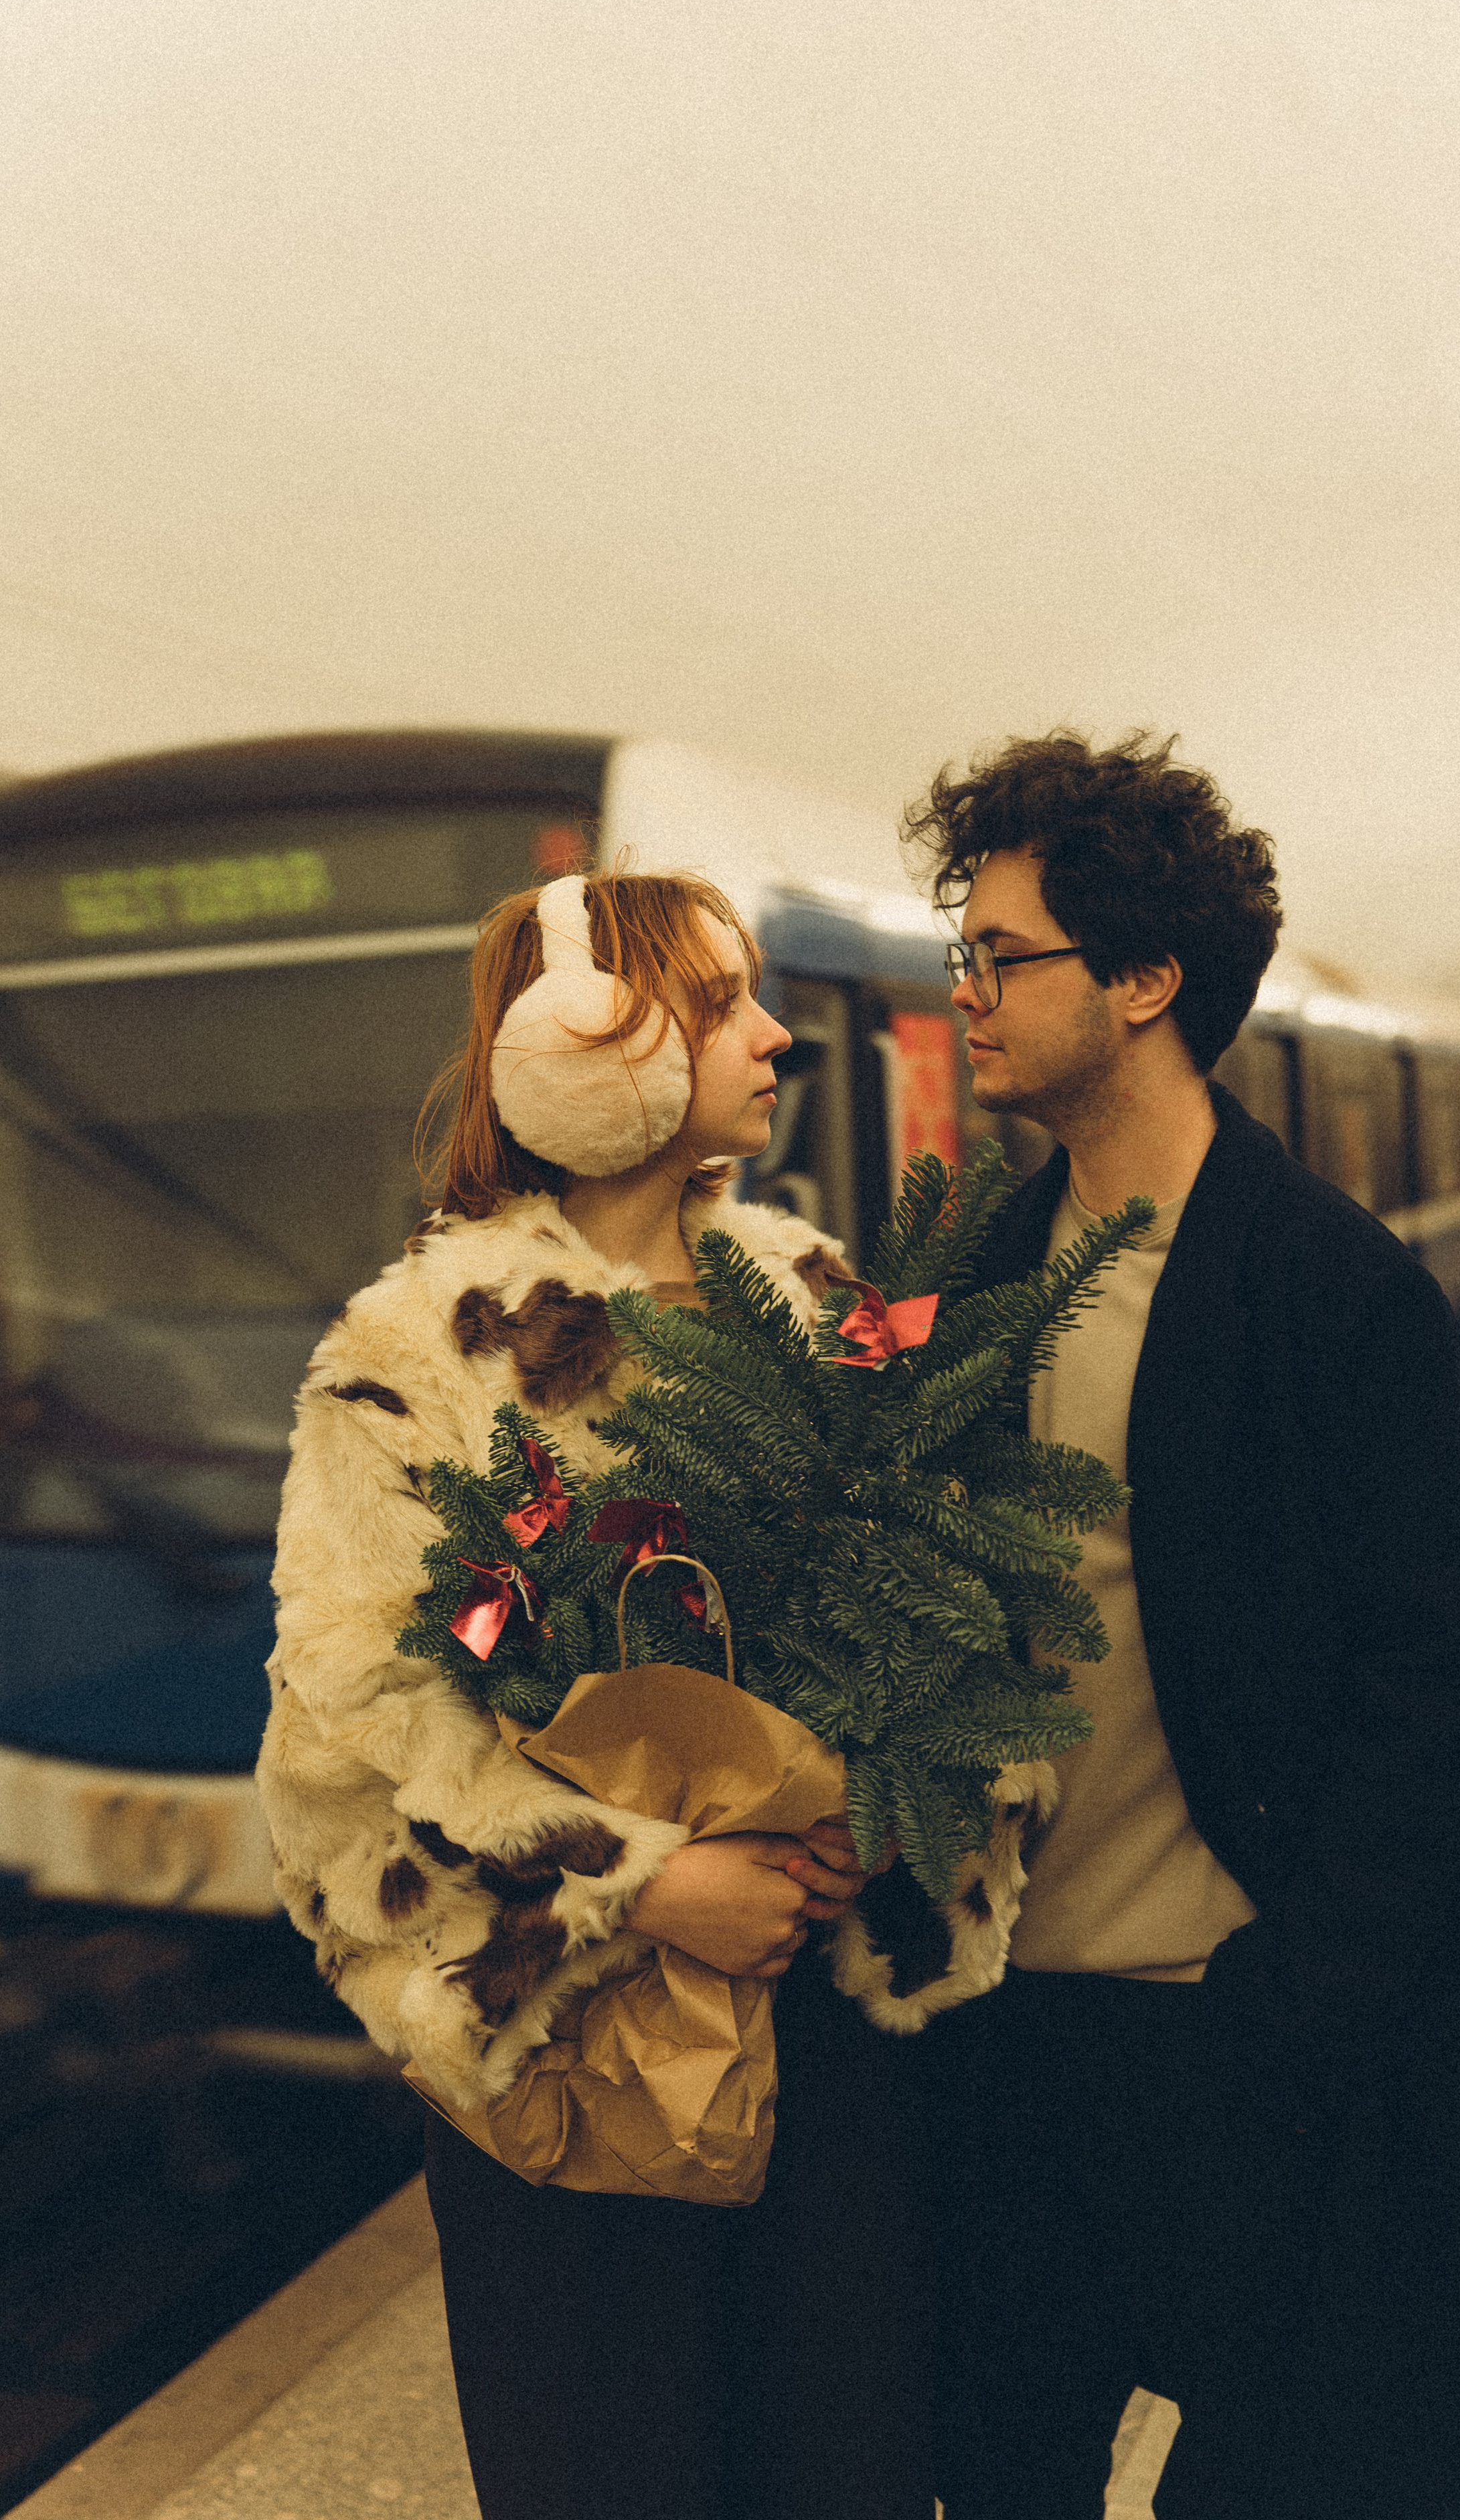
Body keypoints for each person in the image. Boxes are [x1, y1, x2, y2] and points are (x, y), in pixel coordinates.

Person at [257, 868, 1034, 2520]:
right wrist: (648, 1885)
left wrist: (891, 1816)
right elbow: (349, 1762)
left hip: (840, 2055)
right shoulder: (414, 1361)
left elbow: (973, 1611)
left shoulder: (821, 1298)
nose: (772, 1040)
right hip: (571, 2076)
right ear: (578, 1052)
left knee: (854, 2471)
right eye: (718, 1006)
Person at [904, 732, 1460, 2520]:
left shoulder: (1336, 1294)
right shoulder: (978, 1284)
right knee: (1001, 2475)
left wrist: (1295, 1995)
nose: (964, 993)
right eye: (961, 950)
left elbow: (1457, 1690)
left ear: (1146, 981)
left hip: (1241, 2038)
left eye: (1004, 955)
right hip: (1012, 2057)